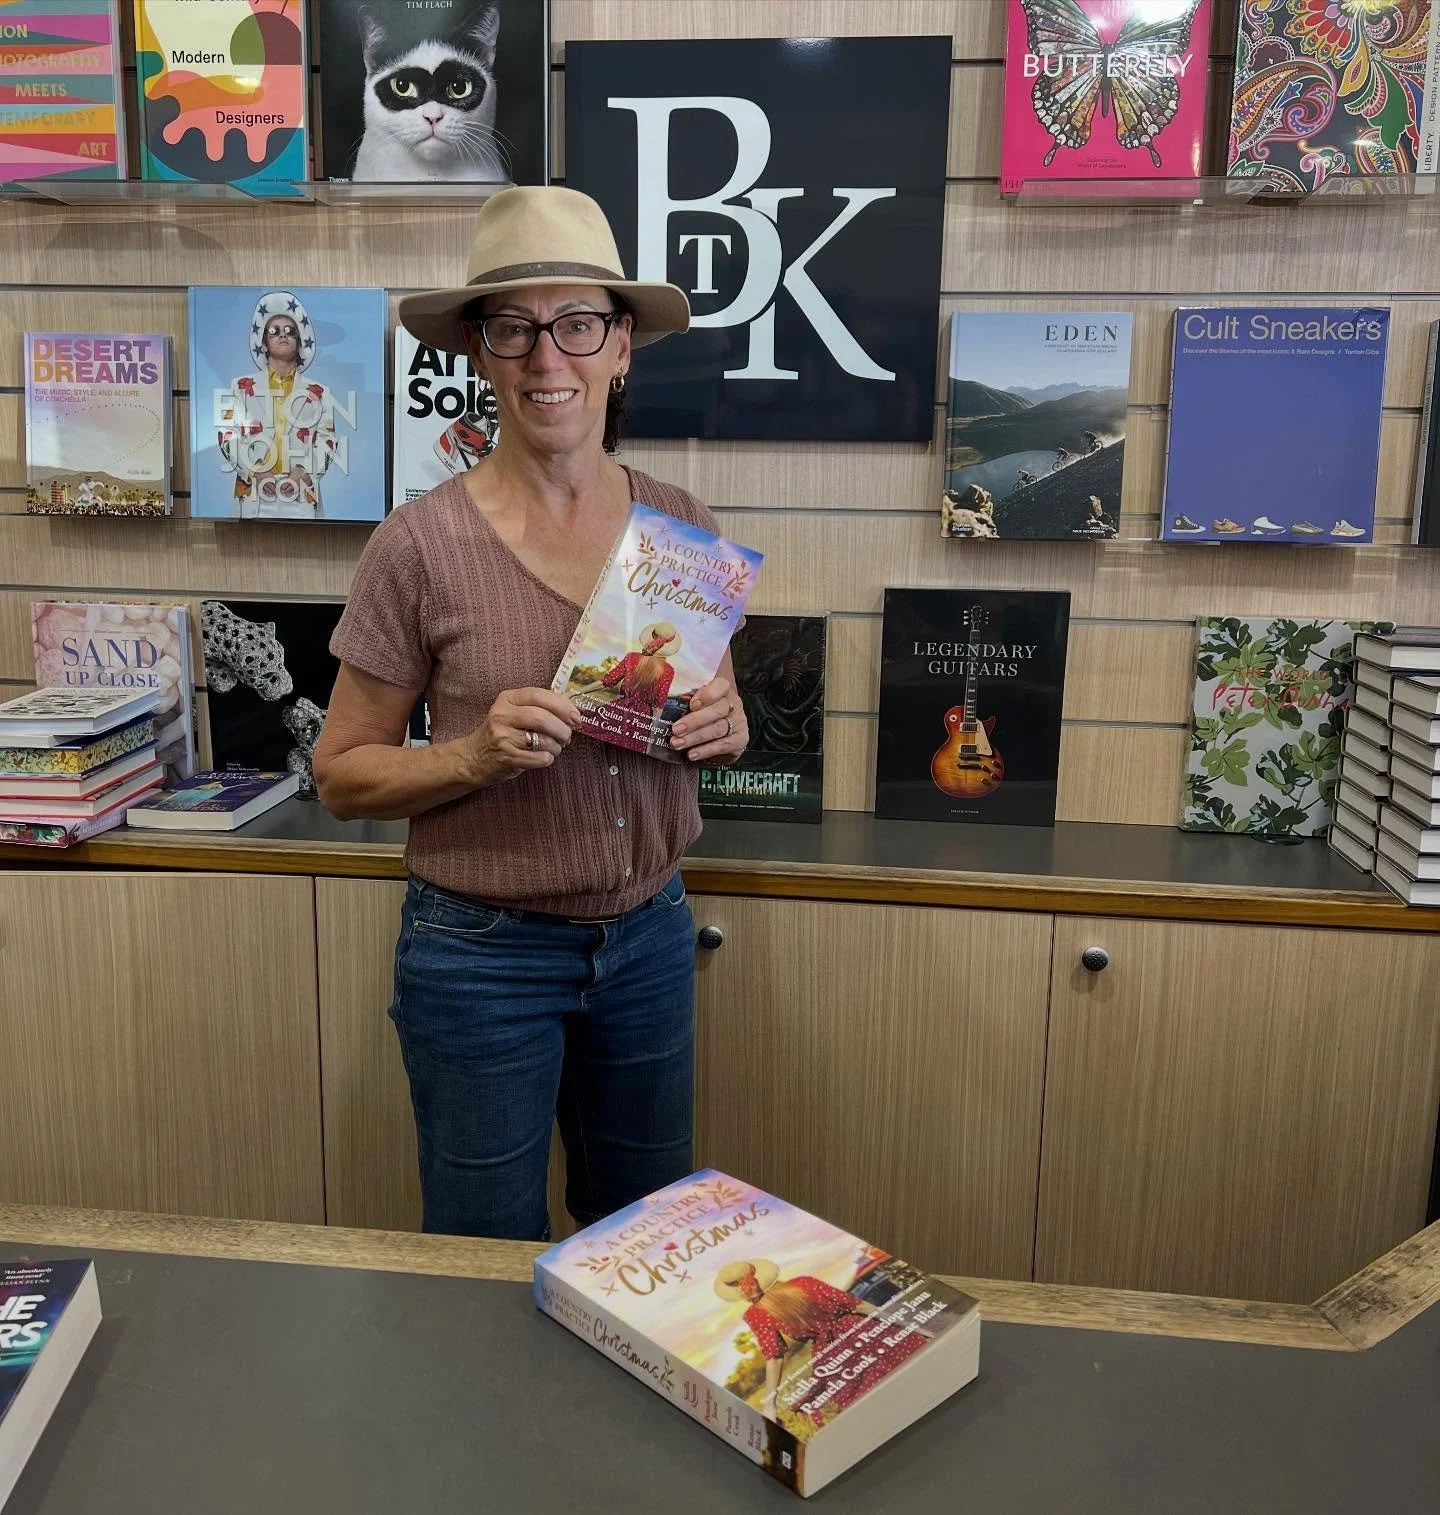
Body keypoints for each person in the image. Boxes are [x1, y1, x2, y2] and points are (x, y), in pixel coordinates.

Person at [312, 186, 750, 1242]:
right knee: (482, 1248)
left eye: (578, 324)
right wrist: (472, 755)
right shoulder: (417, 546)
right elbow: (340, 774)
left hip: (649, 935)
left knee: (645, 1241)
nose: (547, 357)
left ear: (622, 347)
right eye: (513, 327)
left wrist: (725, 726)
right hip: (481, 955)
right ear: (479, 351)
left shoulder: (681, 527)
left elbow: (707, 710)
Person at [714, 1260, 926, 1424]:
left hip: (831, 1352)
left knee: (834, 1398)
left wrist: (770, 1404)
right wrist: (912, 1327)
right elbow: (859, 1305)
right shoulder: (804, 1282)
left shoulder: (756, 1315)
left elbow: (774, 1357)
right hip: (864, 1329)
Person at [219, 291, 338, 521]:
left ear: (299, 341)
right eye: (274, 331)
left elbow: (328, 441)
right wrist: (255, 470)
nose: (283, 335)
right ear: (263, 343)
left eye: (290, 331)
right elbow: (227, 435)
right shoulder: (239, 387)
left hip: (301, 494)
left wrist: (304, 473)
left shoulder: (320, 392)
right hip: (252, 492)